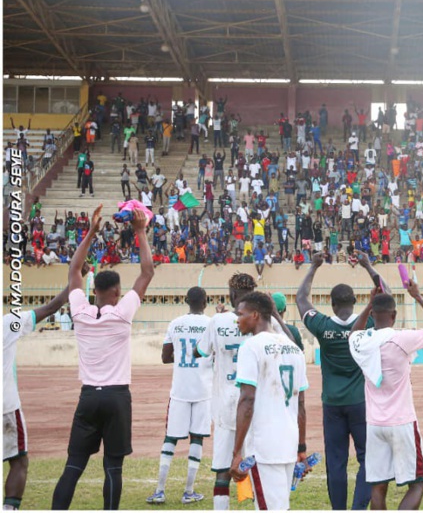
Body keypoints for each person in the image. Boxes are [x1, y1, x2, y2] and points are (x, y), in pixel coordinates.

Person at [52, 206, 154, 510]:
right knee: (113, 468)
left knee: (73, 466)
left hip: (89, 397)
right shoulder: (123, 314)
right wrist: (139, 231)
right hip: (117, 396)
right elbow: (147, 272)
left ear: (92, 290)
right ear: (117, 293)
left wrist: (91, 233)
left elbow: (73, 271)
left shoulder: (80, 312)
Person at [296, 252, 390, 510]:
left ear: (332, 304)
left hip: (332, 404)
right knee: (367, 458)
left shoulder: (323, 326)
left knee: (336, 461)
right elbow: (387, 296)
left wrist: (313, 267)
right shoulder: (368, 323)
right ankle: (358, 508)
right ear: (355, 301)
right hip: (361, 402)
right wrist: (368, 266)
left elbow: (301, 299)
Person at [349, 280, 423, 510]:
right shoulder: (402, 338)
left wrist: (368, 305)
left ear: (373, 314)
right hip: (402, 422)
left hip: (374, 424)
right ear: (394, 315)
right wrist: (418, 296)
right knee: (418, 484)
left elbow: (354, 332)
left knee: (378, 485)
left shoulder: (362, 342)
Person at [4, 272, 89, 511]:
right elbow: (52, 307)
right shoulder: (6, 325)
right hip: (6, 407)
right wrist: (75, 282)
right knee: (18, 461)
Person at [230, 292, 308, 511]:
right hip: (288, 442)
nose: (238, 319)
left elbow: (247, 400)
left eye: (241, 314)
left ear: (255, 315)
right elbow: (300, 404)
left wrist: (236, 452)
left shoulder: (251, 347)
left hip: (265, 447)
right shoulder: (294, 348)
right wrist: (301, 447)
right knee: (280, 507)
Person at [193, 273, 265, 510]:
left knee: (222, 471)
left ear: (232, 295)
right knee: (257, 469)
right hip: (255, 406)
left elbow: (199, 352)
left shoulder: (217, 321)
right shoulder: (260, 323)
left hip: (225, 407)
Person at [146, 287, 212, 505]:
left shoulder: (175, 323)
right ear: (205, 302)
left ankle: (160, 490)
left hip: (180, 390)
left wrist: (182, 356)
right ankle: (189, 491)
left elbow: (165, 357)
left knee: (171, 438)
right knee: (197, 437)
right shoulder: (210, 324)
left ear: (186, 301)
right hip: (203, 390)